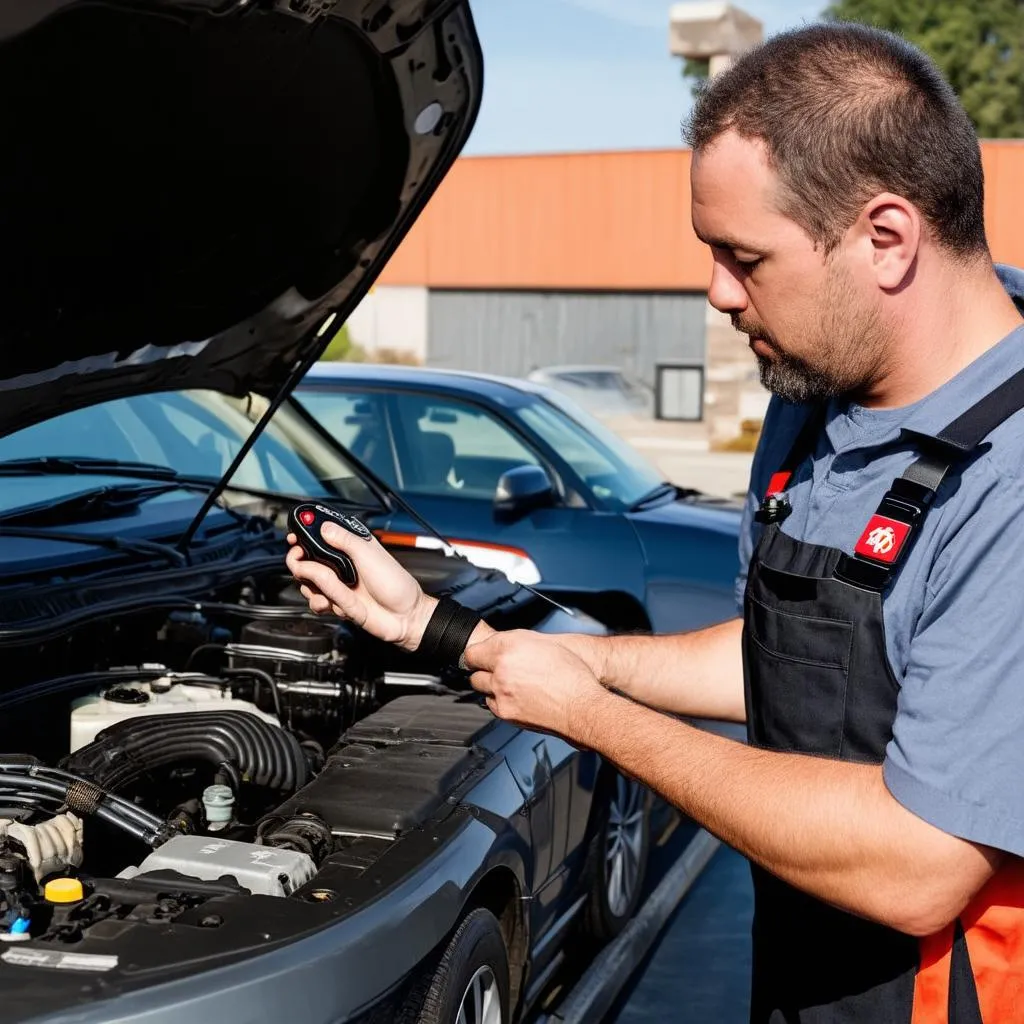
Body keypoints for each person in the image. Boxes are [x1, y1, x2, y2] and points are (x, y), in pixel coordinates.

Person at [286, 22, 1024, 1023]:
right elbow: (779, 661)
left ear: (886, 239)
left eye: (743, 257)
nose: (717, 292)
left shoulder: (1008, 480)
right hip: (804, 970)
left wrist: (591, 714)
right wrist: (467, 637)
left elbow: (916, 865)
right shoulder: (815, 399)